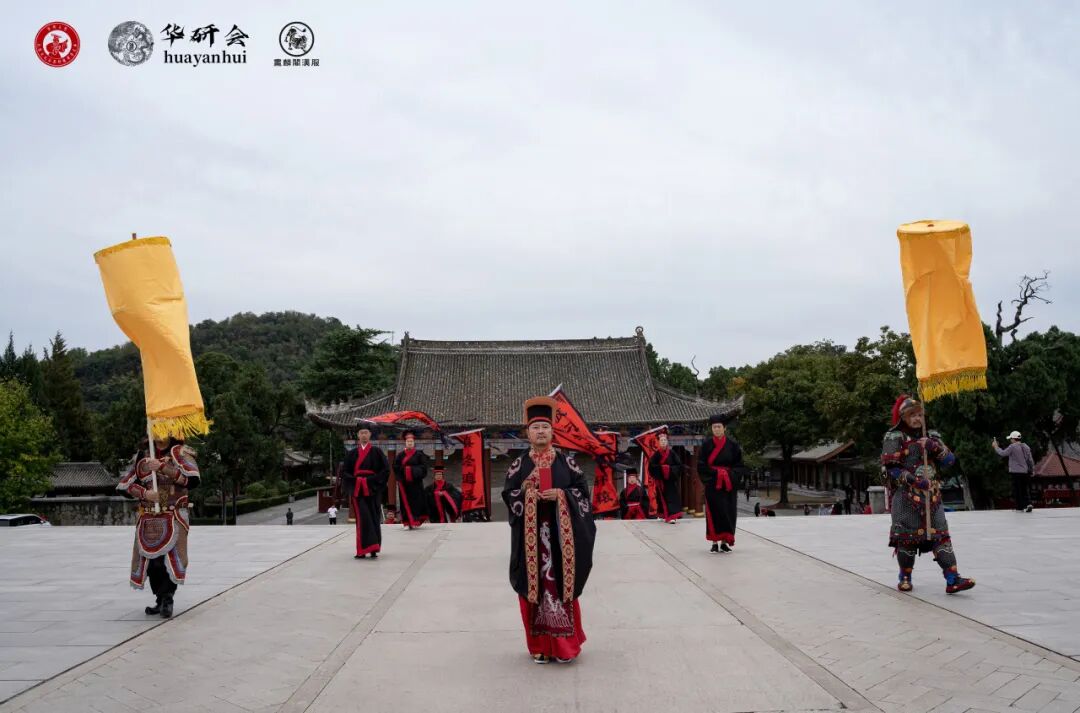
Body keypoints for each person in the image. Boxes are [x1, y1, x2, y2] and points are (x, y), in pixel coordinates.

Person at [502, 396, 596, 664]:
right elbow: (509, 495)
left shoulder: (568, 463)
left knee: (561, 590)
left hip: (560, 540)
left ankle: (565, 647)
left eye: (545, 426)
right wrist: (528, 495)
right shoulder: (519, 465)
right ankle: (539, 646)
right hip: (530, 541)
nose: (540, 431)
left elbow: (583, 494)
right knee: (533, 591)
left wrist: (562, 496)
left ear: (553, 431)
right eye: (535, 427)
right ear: (527, 433)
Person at [882, 395, 975, 594]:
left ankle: (953, 579)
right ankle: (905, 576)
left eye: (920, 415)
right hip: (906, 497)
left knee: (941, 537)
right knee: (906, 539)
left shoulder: (932, 436)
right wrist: (914, 481)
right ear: (904, 417)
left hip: (932, 497)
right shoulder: (894, 436)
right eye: (912, 415)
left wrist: (934, 447)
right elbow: (890, 469)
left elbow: (949, 461)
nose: (917, 419)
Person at [117, 437, 200, 618]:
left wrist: (163, 468)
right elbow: (125, 485)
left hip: (174, 515)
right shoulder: (143, 453)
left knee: (169, 559)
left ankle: (168, 598)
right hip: (149, 516)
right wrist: (145, 493)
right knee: (152, 561)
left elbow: (192, 480)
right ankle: (160, 598)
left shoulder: (181, 452)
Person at [340, 421, 390, 559]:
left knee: (374, 516)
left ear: (370, 434)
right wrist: (357, 481)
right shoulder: (352, 454)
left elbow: (385, 470)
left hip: (372, 488)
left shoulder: (377, 452)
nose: (363, 435)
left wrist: (371, 481)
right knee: (362, 519)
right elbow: (345, 472)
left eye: (366, 433)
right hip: (358, 489)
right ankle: (362, 549)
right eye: (361, 433)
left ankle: (374, 548)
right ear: (358, 435)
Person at [697, 413, 744, 553]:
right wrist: (714, 475)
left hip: (728, 484)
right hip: (713, 483)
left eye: (719, 426)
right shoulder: (706, 445)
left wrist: (728, 475)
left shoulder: (733, 445)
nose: (716, 429)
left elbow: (739, 465)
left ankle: (725, 541)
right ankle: (714, 542)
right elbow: (701, 465)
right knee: (713, 512)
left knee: (728, 512)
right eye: (714, 427)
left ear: (724, 428)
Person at [393, 430, 430, 529]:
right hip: (404, 482)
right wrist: (405, 471)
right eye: (408, 442)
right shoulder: (400, 455)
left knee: (416, 501)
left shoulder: (419, 455)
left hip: (416, 482)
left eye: (411, 442)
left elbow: (423, 468)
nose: (410, 443)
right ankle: (406, 522)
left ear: (414, 443)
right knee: (405, 502)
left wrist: (411, 470)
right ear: (405, 443)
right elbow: (395, 467)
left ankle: (415, 520)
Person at [992, 431, 1035, 513]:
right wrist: (1032, 470)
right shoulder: (1026, 446)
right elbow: (1030, 460)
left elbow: (1003, 453)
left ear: (1014, 439)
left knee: (1017, 490)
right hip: (1025, 472)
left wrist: (996, 447)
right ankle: (1028, 503)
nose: (1010, 440)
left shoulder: (1012, 447)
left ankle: (1019, 507)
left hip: (1016, 472)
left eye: (1011, 439)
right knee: (1024, 489)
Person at [648, 429, 684, 523]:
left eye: (665, 440)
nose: (663, 442)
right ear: (658, 442)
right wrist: (661, 469)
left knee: (671, 497)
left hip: (670, 480)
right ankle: (664, 514)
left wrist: (669, 469)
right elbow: (651, 467)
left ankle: (672, 516)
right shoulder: (656, 455)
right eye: (661, 441)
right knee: (661, 498)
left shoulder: (672, 453)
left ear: (667, 442)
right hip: (661, 480)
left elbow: (679, 465)